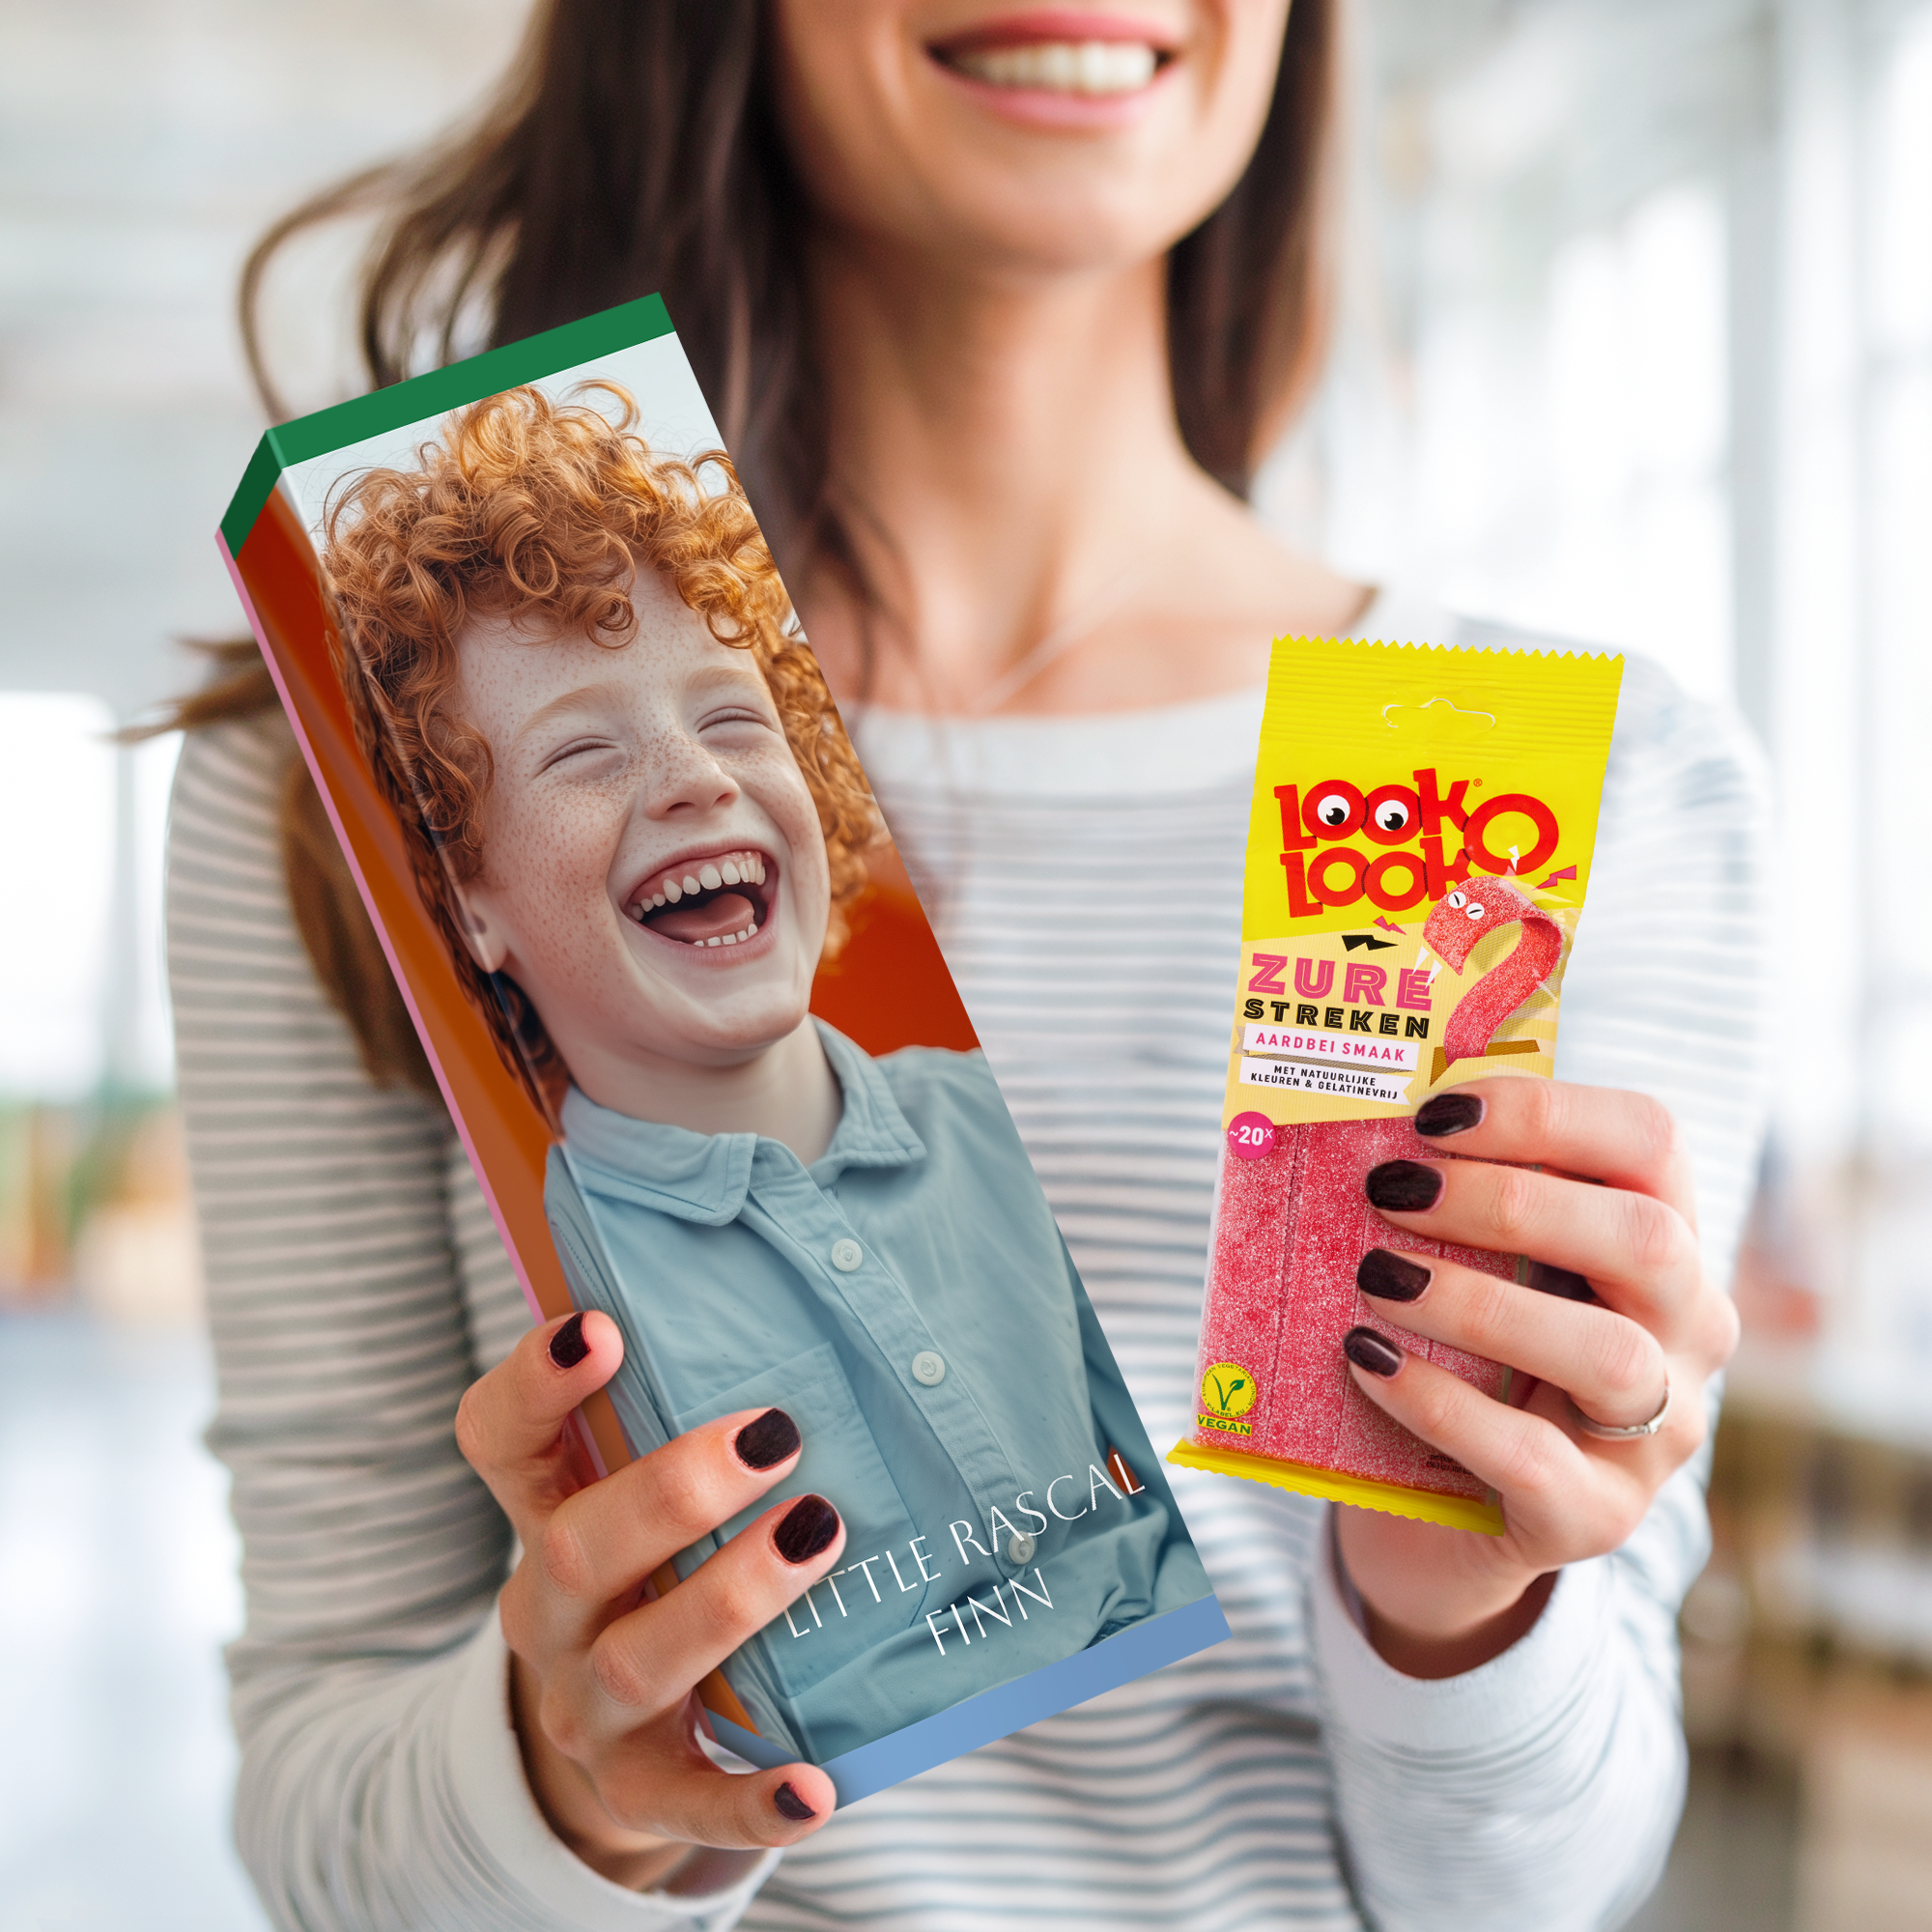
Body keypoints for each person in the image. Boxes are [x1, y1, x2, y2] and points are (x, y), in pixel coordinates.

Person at [169, 4, 1769, 1927]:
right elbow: (323, 1812)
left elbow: (1544, 1889)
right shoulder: (342, 780)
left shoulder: (1582, 784)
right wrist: (571, 1773)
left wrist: (1458, 1611)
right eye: (595, 749)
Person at [316, 382, 1208, 1764]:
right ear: (471, 906)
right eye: (582, 752)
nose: (692, 780)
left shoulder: (976, 1112)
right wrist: (593, 1789)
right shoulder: (571, 1268)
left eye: (736, 724)